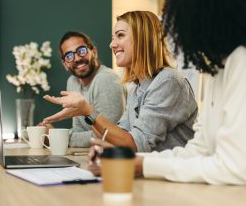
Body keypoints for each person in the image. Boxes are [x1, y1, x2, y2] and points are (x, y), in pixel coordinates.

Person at [90, 0, 246, 185]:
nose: (178, 31)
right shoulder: (218, 70)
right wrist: (130, 160)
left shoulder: (240, 61)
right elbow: (199, 150)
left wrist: (141, 165)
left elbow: (234, 168)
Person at [43, 11, 198, 152]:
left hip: (173, 179)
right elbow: (119, 135)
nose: (112, 44)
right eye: (113, 38)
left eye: (120, 35)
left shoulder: (168, 81)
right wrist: (86, 115)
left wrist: (88, 111)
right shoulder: (137, 88)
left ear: (142, 38)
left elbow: (136, 144)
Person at [41, 31, 126, 147]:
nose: (76, 59)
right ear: (65, 64)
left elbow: (109, 136)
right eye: (69, 56)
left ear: (94, 52)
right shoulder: (72, 82)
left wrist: (57, 137)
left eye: (81, 50)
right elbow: (78, 131)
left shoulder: (107, 79)